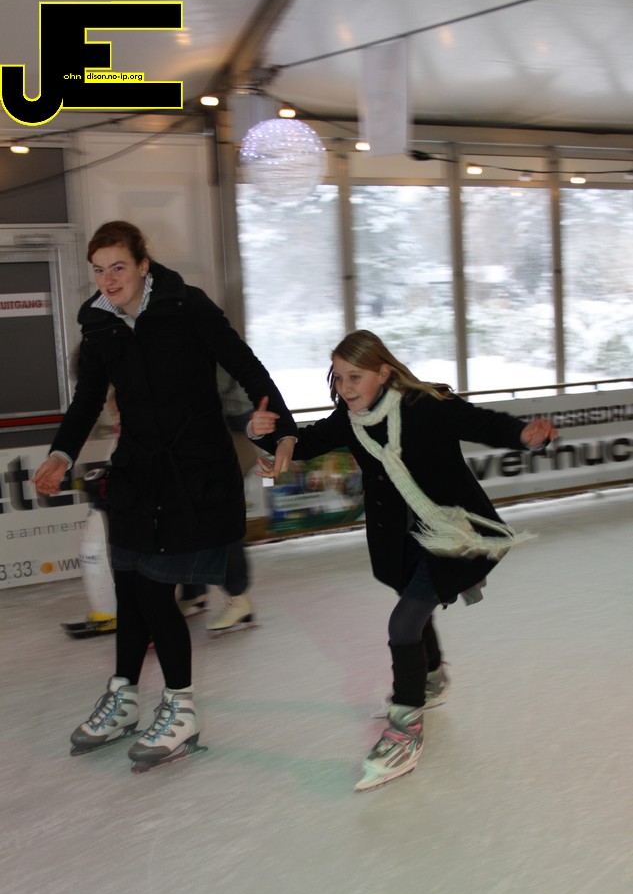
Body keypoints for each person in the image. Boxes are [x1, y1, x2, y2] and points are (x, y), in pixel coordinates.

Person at [33, 220, 296, 771]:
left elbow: (246, 366)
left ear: (143, 265)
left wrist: (282, 429)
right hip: (137, 471)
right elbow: (87, 399)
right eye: (99, 270)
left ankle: (181, 709)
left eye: (118, 267)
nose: (109, 280)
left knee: (155, 594)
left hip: (192, 473)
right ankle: (124, 696)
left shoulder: (186, 306)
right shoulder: (98, 323)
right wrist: (61, 454)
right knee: (129, 587)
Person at [250, 330, 557, 792]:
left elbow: (481, 423)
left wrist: (524, 436)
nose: (345, 387)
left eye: (355, 377)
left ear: (384, 373)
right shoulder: (350, 418)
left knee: (404, 623)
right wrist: (264, 434)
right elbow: (307, 443)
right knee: (412, 611)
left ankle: (405, 729)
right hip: (399, 540)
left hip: (452, 536)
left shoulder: (424, 405)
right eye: (339, 377)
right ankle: (432, 678)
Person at [179, 366, 258, 632]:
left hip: (223, 446)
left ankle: (239, 598)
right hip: (200, 448)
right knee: (187, 520)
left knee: (220, 523)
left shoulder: (202, 349)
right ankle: (193, 591)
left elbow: (209, 392)